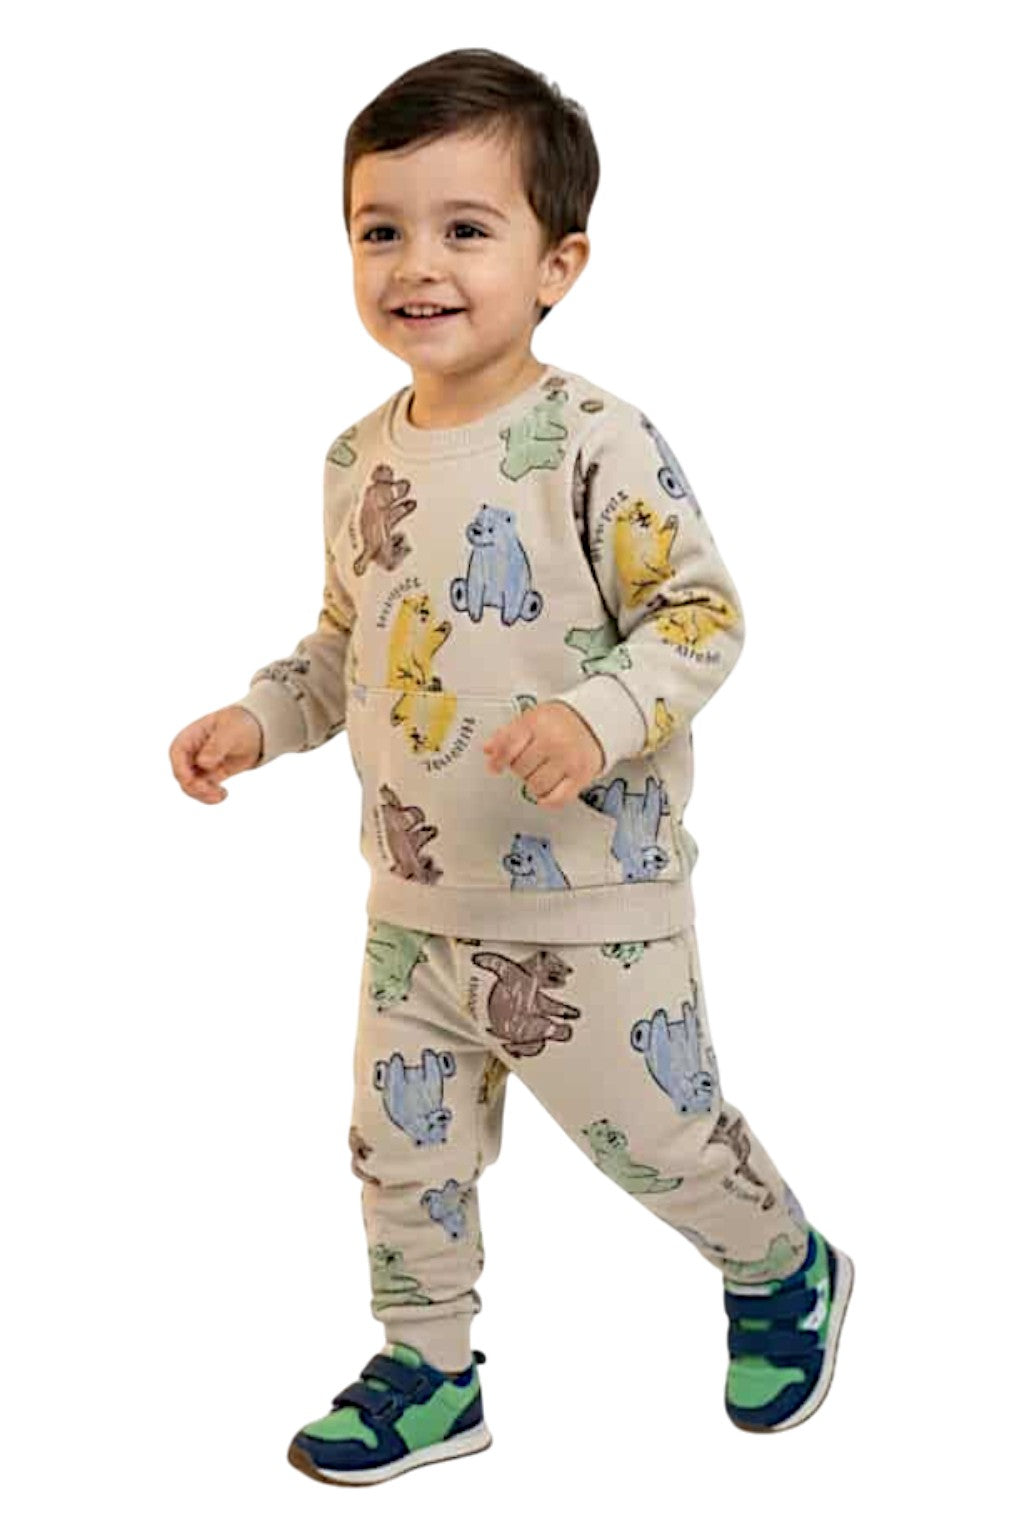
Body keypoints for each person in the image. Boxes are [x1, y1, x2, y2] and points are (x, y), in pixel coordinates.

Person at [169, 47, 854, 1487]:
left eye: (466, 229)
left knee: (659, 1139)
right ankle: (429, 1372)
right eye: (381, 229)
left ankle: (781, 1266)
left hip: (591, 908)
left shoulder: (595, 442)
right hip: (415, 906)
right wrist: (260, 719)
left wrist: (598, 716)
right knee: (396, 1153)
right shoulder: (356, 460)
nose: (418, 265)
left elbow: (700, 616)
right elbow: (346, 643)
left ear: (558, 265)